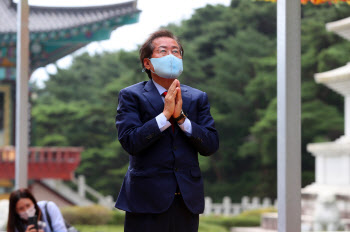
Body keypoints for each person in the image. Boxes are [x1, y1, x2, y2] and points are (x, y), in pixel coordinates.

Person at [115, 29, 219, 232]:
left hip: (186, 200)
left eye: (176, 51)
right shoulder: (131, 96)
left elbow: (211, 144)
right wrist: (164, 116)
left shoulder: (197, 97)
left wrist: (181, 118)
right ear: (147, 63)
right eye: (163, 51)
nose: (171, 56)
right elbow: (130, 142)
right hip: (146, 200)